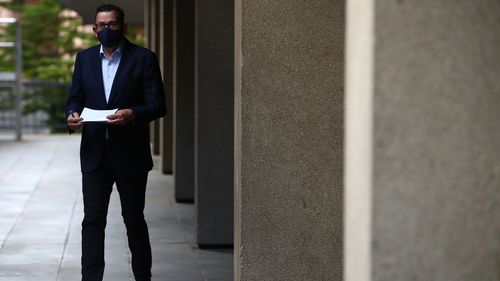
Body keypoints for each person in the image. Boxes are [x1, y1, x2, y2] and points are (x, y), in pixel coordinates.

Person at [65, 4, 166, 281]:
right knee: (93, 222)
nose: (105, 30)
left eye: (111, 24)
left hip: (130, 155)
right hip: (95, 155)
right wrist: (71, 116)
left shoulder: (144, 58)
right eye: (101, 25)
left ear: (123, 26)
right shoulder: (84, 59)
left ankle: (143, 277)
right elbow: (75, 98)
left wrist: (133, 113)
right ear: (94, 29)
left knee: (134, 221)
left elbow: (158, 105)